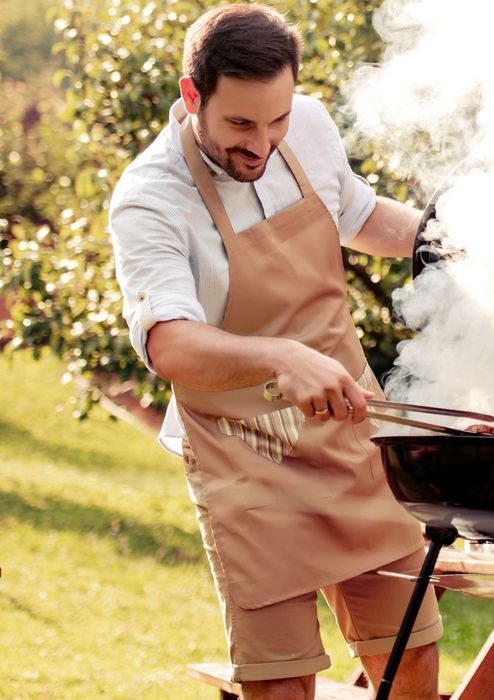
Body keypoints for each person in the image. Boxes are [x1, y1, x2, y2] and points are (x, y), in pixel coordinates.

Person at [107, 6, 440, 699]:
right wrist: (282, 357)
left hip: (353, 437)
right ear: (192, 95)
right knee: (280, 684)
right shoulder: (150, 197)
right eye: (240, 125)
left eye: (276, 120)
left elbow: (359, 216)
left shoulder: (309, 125)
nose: (262, 143)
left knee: (411, 659)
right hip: (244, 460)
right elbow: (169, 343)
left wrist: (447, 240)